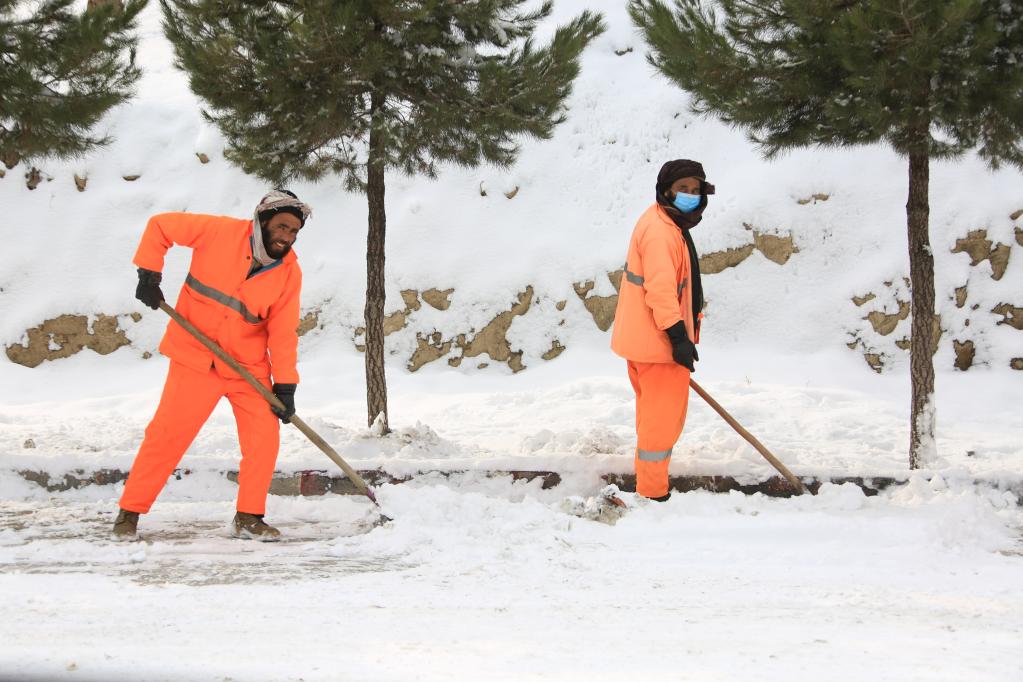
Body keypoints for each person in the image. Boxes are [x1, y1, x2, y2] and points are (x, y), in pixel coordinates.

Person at [112, 190, 312, 542]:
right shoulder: (219, 233)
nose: (287, 236)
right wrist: (149, 273)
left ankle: (249, 516)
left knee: (263, 441)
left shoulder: (288, 273)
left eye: (294, 231)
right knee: (167, 436)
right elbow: (161, 226)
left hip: (246, 368)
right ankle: (130, 512)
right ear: (263, 220)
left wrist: (285, 385)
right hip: (196, 357)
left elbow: (283, 333)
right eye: (282, 226)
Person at [610, 159, 713, 501]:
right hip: (659, 347)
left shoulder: (664, 220)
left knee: (652, 419)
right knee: (661, 425)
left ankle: (649, 485)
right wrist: (678, 339)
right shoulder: (661, 232)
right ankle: (653, 493)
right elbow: (661, 292)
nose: (690, 195)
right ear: (667, 190)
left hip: (646, 341)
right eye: (683, 188)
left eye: (695, 190)